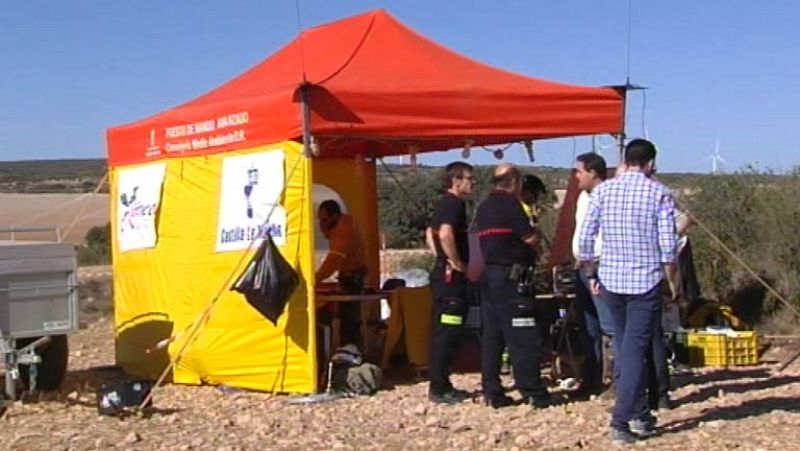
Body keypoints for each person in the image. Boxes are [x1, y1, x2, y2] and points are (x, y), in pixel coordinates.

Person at [578, 139, 679, 444]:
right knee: (635, 349)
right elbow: (669, 247)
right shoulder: (659, 193)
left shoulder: (603, 191)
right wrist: (672, 282)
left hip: (611, 280)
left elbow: (585, 238)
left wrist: (591, 273)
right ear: (651, 163)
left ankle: (640, 413)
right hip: (644, 282)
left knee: (624, 345)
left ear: (625, 160)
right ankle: (622, 420)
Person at [475, 164, 550, 409]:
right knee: (522, 333)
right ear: (515, 182)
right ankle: (533, 391)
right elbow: (530, 238)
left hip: (490, 276)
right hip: (512, 278)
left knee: (493, 335)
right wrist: (537, 233)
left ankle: (492, 390)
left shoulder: (483, 207)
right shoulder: (511, 205)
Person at [424, 162, 474, 404]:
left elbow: (429, 233)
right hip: (451, 280)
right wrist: (456, 263)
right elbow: (444, 234)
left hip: (441, 276)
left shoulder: (443, 203)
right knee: (448, 330)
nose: (472, 183)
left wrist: (439, 258)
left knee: (443, 330)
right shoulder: (454, 204)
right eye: (469, 179)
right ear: (456, 181)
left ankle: (441, 382)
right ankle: (439, 386)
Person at [570, 152, 611, 396]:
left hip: (600, 265)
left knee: (609, 325)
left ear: (593, 172)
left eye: (579, 171)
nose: (576, 176)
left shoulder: (608, 196)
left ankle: (616, 380)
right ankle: (591, 378)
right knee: (588, 326)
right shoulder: (582, 198)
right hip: (583, 266)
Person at [315, 200, 367, 346]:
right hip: (347, 273)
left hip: (353, 276)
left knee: (349, 319)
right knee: (345, 316)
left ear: (335, 216)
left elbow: (332, 261)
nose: (322, 224)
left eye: (325, 220)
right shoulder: (339, 226)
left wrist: (314, 279)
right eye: (320, 220)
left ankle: (349, 348)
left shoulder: (344, 230)